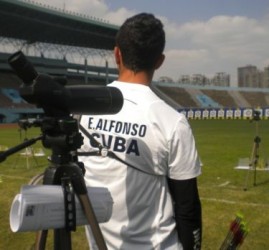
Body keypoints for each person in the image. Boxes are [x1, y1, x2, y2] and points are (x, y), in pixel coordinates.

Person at [79, 13, 202, 250]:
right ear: (160, 61)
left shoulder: (85, 112)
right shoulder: (173, 122)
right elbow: (188, 208)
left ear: (117, 54)